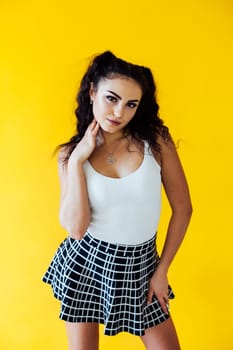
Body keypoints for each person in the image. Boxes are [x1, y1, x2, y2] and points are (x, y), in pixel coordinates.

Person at [42, 51, 192, 350]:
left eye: (130, 104)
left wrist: (162, 271)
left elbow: (183, 208)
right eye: (111, 98)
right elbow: (76, 229)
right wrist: (76, 163)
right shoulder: (69, 157)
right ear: (93, 92)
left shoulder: (156, 141)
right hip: (86, 262)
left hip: (142, 265)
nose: (119, 112)